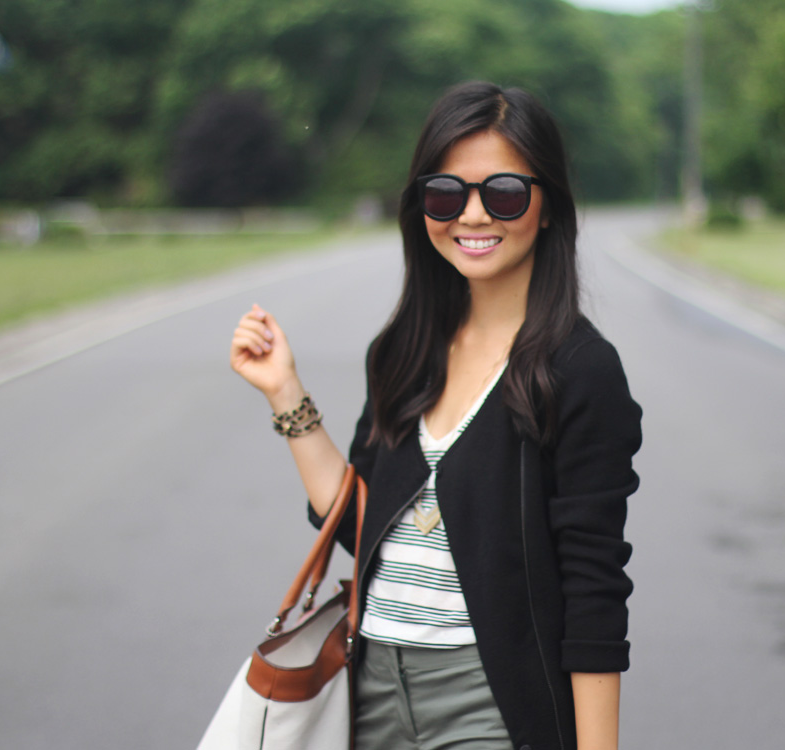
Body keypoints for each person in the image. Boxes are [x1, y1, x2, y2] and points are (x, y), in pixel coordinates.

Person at [230, 81, 642, 750]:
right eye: (447, 194)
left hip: (490, 700)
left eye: (503, 193)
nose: (473, 217)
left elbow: (594, 594)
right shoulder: (404, 351)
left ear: (547, 207)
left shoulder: (580, 371)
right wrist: (285, 394)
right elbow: (363, 525)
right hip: (369, 691)